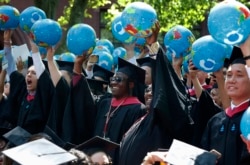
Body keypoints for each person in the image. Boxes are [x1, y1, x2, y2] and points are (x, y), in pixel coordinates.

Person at [119, 21, 194, 165]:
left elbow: (167, 90)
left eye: (154, 90)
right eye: (147, 89)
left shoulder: (160, 119)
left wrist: (154, 46)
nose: (149, 93)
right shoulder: (139, 121)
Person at [201, 36, 250, 165]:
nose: (232, 80)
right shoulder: (215, 121)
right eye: (228, 75)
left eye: (239, 75)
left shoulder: (248, 119)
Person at [3, 30, 54, 134]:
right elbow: (11, 69)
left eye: (34, 73)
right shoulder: (23, 92)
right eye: (28, 72)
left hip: (35, 141)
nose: (29, 74)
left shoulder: (43, 94)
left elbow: (41, 71)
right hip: (17, 140)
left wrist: (34, 48)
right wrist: (7, 43)